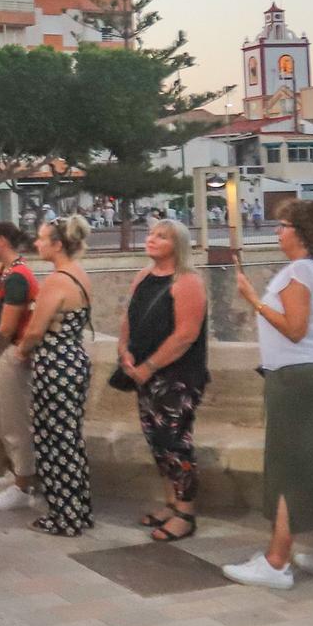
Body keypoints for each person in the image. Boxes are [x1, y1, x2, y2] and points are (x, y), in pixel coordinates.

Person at [223, 201, 313, 589]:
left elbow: (294, 329)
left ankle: (276, 561)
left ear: (299, 231)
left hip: (299, 380)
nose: (277, 232)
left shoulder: (299, 271)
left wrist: (253, 299)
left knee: (288, 470)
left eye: (281, 226)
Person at [119, 219, 211, 544]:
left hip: (177, 376)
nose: (152, 239)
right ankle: (170, 502)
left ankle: (185, 513)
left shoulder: (187, 281)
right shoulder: (143, 277)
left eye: (162, 236)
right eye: (151, 234)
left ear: (178, 245)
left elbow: (186, 335)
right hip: (145, 371)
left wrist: (150, 366)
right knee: (156, 440)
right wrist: (125, 352)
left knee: (175, 442)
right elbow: (129, 317)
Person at [12, 217, 94, 537]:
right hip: (73, 359)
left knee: (53, 441)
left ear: (58, 244)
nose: (37, 243)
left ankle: (64, 516)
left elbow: (35, 330)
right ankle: (78, 510)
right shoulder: (80, 274)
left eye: (42, 239)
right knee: (70, 439)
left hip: (54, 363)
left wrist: (20, 353)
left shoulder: (56, 281)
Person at [0, 222, 38, 513]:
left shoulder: (17, 277)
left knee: (15, 421)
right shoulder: (7, 273)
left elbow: (7, 328)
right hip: (2, 352)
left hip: (11, 353)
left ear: (2, 241)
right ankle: (16, 474)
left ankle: (24, 485)